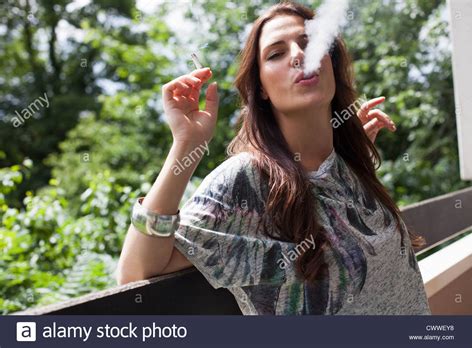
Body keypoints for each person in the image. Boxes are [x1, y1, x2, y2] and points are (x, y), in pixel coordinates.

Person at [116, 1, 431, 315]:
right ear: (262, 88)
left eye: (309, 42)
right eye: (276, 54)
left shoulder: (346, 166)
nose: (298, 55)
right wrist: (186, 146)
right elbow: (134, 276)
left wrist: (355, 155)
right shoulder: (248, 181)